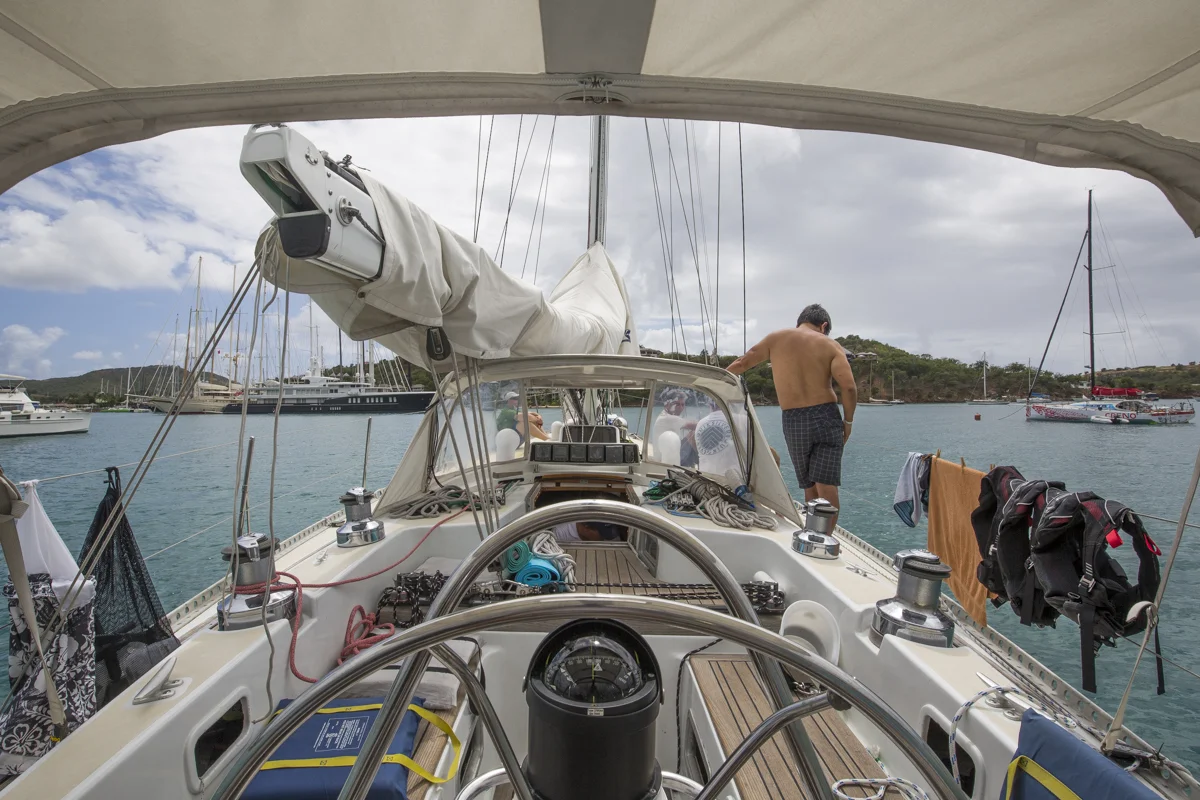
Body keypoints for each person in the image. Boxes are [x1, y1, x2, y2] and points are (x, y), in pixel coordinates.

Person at [727, 303, 856, 526]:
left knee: (809, 485)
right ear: (823, 326)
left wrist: (712, 381)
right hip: (826, 416)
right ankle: (824, 538)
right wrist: (848, 421)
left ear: (800, 322)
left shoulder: (776, 339)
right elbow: (849, 387)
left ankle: (811, 531)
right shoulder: (831, 346)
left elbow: (742, 363)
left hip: (793, 420)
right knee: (826, 483)